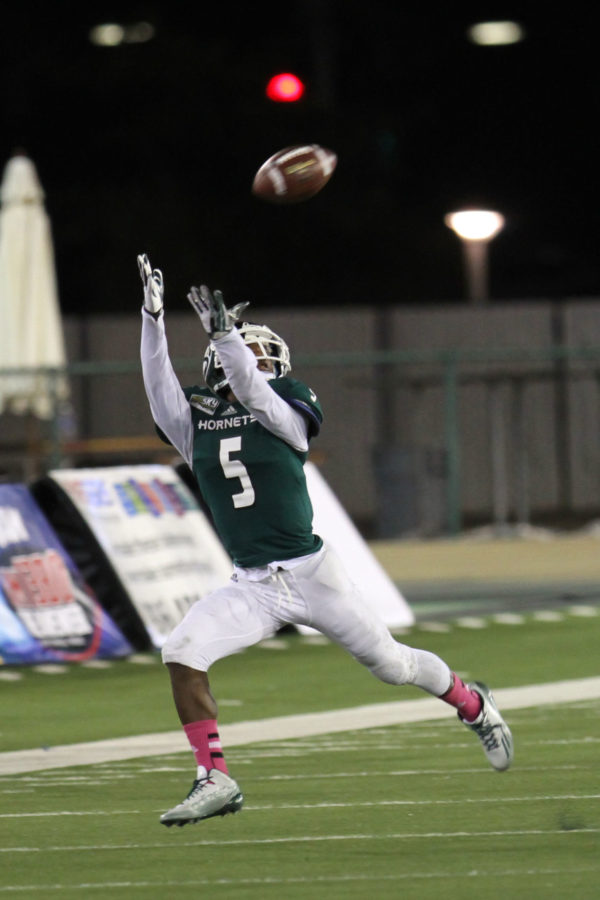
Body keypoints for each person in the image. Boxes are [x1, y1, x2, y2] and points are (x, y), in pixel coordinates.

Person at [137, 253, 514, 828]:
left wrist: (228, 339)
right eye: (246, 352)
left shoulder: (284, 413)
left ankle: (474, 705)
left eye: (262, 356)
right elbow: (159, 388)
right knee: (182, 652)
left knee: (392, 664)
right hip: (253, 585)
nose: (255, 363)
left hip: (314, 577)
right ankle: (214, 778)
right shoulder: (198, 423)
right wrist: (152, 316)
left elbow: (257, 395)